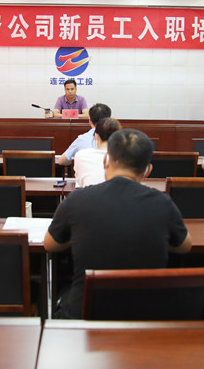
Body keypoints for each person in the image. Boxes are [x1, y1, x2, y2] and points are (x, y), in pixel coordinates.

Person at [44, 129, 192, 319]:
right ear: (148, 170)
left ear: (106, 161)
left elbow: (50, 244)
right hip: (145, 316)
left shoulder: (77, 199)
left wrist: (80, 236)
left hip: (86, 316)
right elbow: (185, 246)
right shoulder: (163, 202)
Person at [73, 118, 122, 188]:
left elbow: (80, 184)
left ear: (96, 135)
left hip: (89, 194)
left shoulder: (80, 155)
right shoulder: (125, 158)